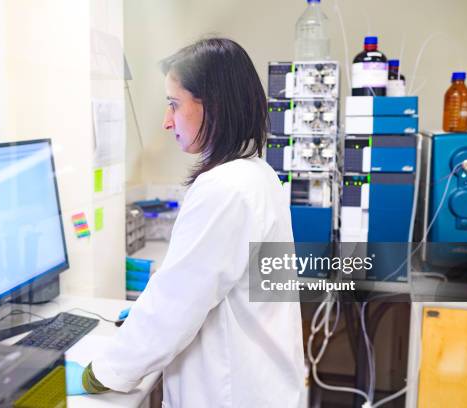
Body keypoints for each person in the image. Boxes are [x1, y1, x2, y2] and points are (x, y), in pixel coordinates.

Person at [66, 37, 305, 407]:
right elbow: (201, 286)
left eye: (174, 105)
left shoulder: (224, 189)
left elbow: (174, 310)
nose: (166, 121)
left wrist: (98, 374)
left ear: (215, 107)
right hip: (261, 383)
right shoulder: (257, 175)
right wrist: (154, 305)